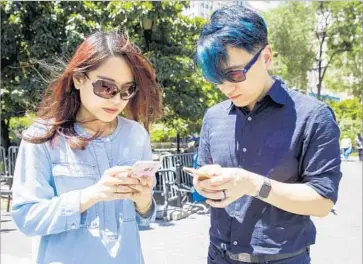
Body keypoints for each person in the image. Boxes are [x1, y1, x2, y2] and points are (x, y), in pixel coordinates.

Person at [191, 5, 342, 264]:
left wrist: (251, 184)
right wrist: (203, 184)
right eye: (216, 79)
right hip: (218, 255)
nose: (226, 88)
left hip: (282, 258)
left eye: (234, 74)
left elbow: (322, 202)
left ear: (266, 56)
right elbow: (203, 180)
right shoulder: (213, 117)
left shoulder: (313, 116)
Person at [11, 31, 163, 264]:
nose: (116, 100)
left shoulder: (136, 136)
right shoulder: (42, 137)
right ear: (78, 79)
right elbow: (27, 218)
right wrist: (91, 195)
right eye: (106, 87)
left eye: (127, 90)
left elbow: (144, 220)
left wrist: (143, 200)